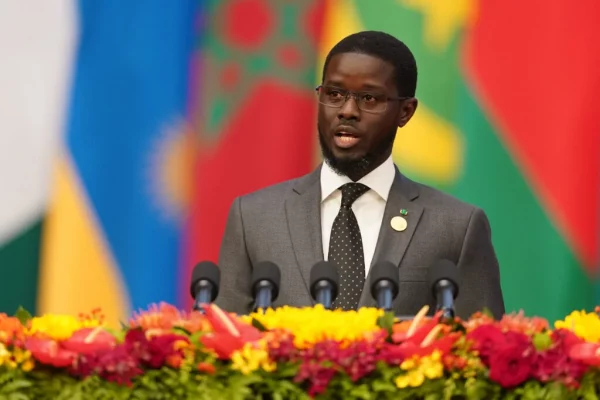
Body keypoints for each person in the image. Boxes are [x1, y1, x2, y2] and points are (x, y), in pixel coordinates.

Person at [215, 31, 505, 319]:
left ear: (405, 111)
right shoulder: (254, 218)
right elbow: (223, 337)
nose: (347, 111)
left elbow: (484, 341)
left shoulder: (456, 227)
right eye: (334, 94)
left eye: (369, 98)